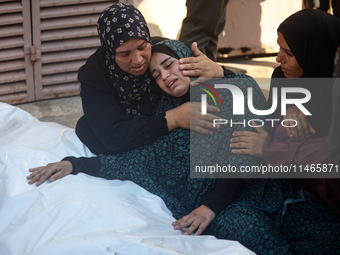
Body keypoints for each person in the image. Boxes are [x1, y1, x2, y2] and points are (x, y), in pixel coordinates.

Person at [28, 39, 340, 254]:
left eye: (169, 65)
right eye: (157, 74)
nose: (165, 76)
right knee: (251, 230)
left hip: (270, 192)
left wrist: (222, 74)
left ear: (188, 61)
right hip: (231, 209)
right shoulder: (170, 120)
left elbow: (248, 153)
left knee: (326, 235)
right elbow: (136, 160)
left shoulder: (229, 93)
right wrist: (74, 164)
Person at [74, 3, 227, 156]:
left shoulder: (161, 50)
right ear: (110, 53)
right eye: (125, 54)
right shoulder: (94, 75)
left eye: (142, 47)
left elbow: (233, 87)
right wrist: (173, 118)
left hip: (169, 133)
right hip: (135, 130)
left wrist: (219, 71)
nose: (138, 60)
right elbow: (112, 137)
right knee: (86, 128)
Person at [230, 9, 340, 217]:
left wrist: (271, 148)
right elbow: (271, 124)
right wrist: (288, 106)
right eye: (279, 48)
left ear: (316, 54)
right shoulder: (283, 76)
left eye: (289, 53)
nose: (278, 58)